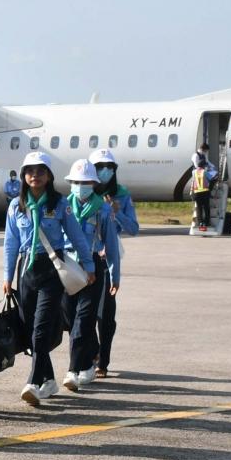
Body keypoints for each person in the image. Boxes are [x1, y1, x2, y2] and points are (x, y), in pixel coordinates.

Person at [2, 152, 94, 408]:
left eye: (40, 171)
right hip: (26, 270)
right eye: (30, 171)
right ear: (23, 176)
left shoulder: (60, 203)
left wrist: (88, 266)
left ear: (49, 176)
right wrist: (7, 276)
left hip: (52, 270)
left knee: (41, 327)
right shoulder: (16, 205)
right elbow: (10, 244)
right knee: (31, 328)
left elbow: (77, 237)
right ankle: (49, 379)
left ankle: (33, 381)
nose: (35, 175)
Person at [59, 159, 122, 393]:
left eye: (85, 182)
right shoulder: (63, 206)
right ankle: (88, 359)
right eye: (76, 182)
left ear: (93, 184)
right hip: (67, 266)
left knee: (83, 320)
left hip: (92, 268)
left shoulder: (102, 210)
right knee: (69, 319)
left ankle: (73, 370)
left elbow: (111, 245)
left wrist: (115, 276)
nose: (80, 186)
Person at [88, 148, 139, 378]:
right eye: (99, 167)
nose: (105, 171)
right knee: (79, 311)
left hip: (108, 256)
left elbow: (134, 229)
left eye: (109, 167)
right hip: (86, 255)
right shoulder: (84, 193)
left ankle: (103, 360)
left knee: (105, 312)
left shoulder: (122, 195)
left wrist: (117, 212)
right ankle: (91, 351)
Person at [190, 148, 217, 231]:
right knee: (206, 208)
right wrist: (210, 188)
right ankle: (207, 222)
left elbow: (193, 181)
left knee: (199, 208)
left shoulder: (194, 172)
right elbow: (212, 179)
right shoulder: (205, 172)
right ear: (203, 166)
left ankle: (200, 222)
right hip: (205, 192)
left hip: (196, 193)